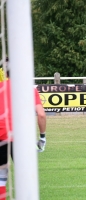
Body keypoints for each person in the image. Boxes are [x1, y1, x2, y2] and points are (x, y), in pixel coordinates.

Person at [0, 63, 47, 200]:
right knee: (25, 177)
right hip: (21, 138)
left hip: (1, 135)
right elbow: (42, 115)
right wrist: (42, 137)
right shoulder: (29, 90)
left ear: (5, 73)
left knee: (1, 177)